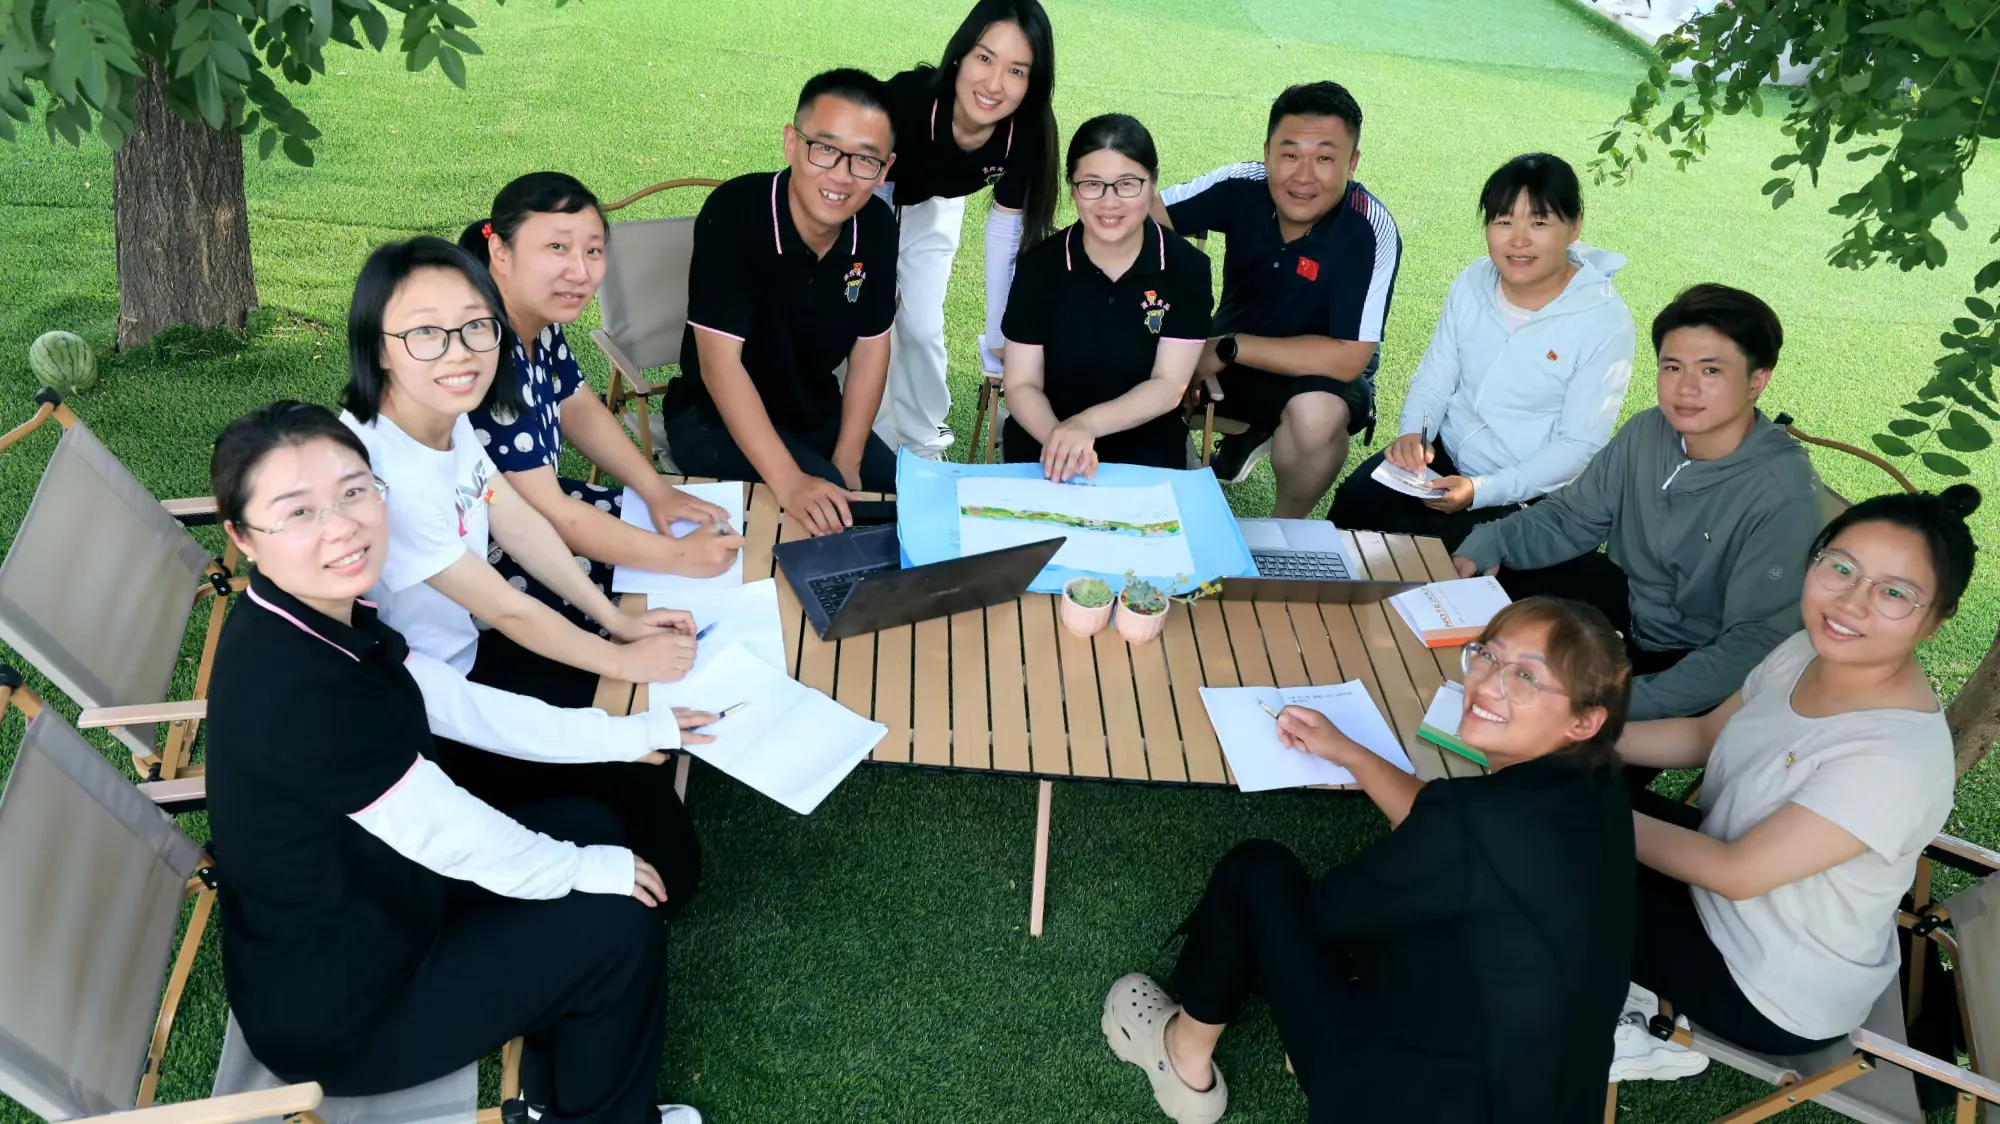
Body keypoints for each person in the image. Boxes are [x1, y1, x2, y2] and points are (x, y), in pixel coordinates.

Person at [203, 401, 713, 1124]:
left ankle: (558, 1074)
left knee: (590, 823)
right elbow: (447, 833)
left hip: (394, 902)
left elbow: (460, 705)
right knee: (617, 925)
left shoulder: (318, 614)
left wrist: (622, 735)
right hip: (352, 1008)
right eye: (298, 512)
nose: (341, 526)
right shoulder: (301, 693)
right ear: (242, 537)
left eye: (354, 491)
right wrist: (584, 871)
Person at [1102, 597, 1636, 1124]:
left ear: (1584, 721)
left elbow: (1329, 915)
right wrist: (1349, 752)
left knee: (1257, 874)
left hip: (1394, 1095)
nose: (1488, 684)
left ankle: (1182, 1058)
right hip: (1551, 1098)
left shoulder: (1471, 824)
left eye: (1526, 678)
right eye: (1488, 655)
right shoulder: (1602, 789)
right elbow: (1450, 830)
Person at [1608, 486, 1976, 1082]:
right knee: (1555, 819)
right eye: (1841, 568)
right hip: (1723, 883)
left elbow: (1737, 872)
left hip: (1767, 983)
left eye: (1894, 593)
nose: (1850, 603)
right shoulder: (1807, 649)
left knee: (1532, 860)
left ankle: (1624, 1022)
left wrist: (1576, 807)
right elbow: (1705, 735)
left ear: (1935, 621)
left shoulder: (1895, 760)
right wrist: (1583, 739)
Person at [338, 235, 695, 708]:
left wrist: (617, 622)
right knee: (648, 723)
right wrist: (621, 660)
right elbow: (508, 611)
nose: (460, 351)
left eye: (476, 324)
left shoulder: (439, 413)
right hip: (428, 692)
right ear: (378, 348)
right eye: (425, 331)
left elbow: (514, 519)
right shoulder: (380, 475)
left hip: (471, 643)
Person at [1453, 284, 1822, 722]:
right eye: (1673, 367)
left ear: (1756, 381)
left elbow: (1752, 643)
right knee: (1493, 567)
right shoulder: (1648, 431)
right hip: (1629, 606)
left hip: (1694, 658)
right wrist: (1492, 541)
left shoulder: (1783, 494)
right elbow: (1574, 516)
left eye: (1711, 371)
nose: (1686, 388)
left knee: (1554, 745)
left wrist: (1624, 704)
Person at [459, 172, 743, 645]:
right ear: (500, 252)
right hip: (487, 560)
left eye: (592, 250)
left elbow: (577, 405)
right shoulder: (481, 355)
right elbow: (546, 513)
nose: (580, 271)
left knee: (702, 550)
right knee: (668, 618)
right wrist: (677, 558)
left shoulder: (534, 318)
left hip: (542, 515)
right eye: (556, 247)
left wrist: (656, 490)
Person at [1330, 153, 1635, 551]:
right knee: (1355, 504)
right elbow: (1435, 378)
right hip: (1444, 460)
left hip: (1527, 494)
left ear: (1574, 226)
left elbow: (1577, 447)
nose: (1519, 240)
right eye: (1503, 221)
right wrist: (1414, 433)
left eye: (1539, 223)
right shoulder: (1473, 280)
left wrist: (1481, 490)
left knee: (1444, 558)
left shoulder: (1604, 321)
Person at [663, 68, 902, 537]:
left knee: (904, 500)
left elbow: (871, 346)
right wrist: (791, 481)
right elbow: (719, 366)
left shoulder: (876, 226)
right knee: (833, 517)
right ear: (792, 143)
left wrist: (849, 458)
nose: (841, 176)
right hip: (713, 419)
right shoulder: (734, 212)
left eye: (864, 159)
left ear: (885, 169)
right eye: (825, 149)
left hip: (816, 415)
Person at [1153, 80, 1402, 516]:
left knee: (1317, 417)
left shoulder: (1369, 228)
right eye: (1289, 155)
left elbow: (1348, 359)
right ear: (1267, 153)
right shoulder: (1241, 184)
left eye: (1325, 158)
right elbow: (1144, 218)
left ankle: (1284, 532)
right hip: (1227, 360)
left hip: (1318, 375)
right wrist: (1180, 332)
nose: (1303, 176)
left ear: (1352, 164)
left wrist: (1228, 348)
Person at [875, 0, 1059, 459]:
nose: (994, 84)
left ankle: (923, 443)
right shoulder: (908, 100)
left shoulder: (1028, 131)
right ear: (959, 55)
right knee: (868, 318)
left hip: (935, 204)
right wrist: (879, 273)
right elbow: (869, 185)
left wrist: (1000, 334)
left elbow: (1005, 231)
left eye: (1016, 71)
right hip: (870, 199)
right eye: (984, 58)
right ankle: (868, 439)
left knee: (919, 327)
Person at [999, 113, 1212, 478]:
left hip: (1147, 448)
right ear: (1072, 187)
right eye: (1092, 184)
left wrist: (1085, 425)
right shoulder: (1040, 266)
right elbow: (1021, 383)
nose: (1109, 202)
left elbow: (1168, 385)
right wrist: (1062, 442)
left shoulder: (1187, 268)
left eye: (1127, 184)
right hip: (1044, 439)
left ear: (1153, 183)